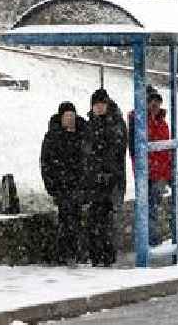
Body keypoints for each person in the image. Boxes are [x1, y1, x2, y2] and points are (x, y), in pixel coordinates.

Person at [40, 101, 90, 266]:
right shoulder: (53, 137)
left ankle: (75, 252)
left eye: (72, 116)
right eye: (67, 116)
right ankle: (66, 252)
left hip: (79, 185)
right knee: (67, 219)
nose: (70, 119)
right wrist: (52, 185)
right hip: (62, 187)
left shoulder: (83, 134)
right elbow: (46, 163)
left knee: (77, 220)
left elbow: (89, 159)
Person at [86, 88, 127, 266]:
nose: (99, 107)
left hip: (112, 180)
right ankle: (96, 254)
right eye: (96, 104)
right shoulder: (91, 124)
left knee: (108, 219)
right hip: (95, 181)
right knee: (95, 218)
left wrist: (106, 171)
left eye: (102, 104)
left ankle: (107, 255)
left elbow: (116, 151)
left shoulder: (115, 123)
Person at [127, 85, 172, 246]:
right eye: (151, 102)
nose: (154, 105)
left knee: (151, 208)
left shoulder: (161, 123)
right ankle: (148, 241)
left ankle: (150, 240)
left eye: (157, 102)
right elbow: (134, 150)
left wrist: (169, 172)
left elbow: (167, 149)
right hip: (146, 172)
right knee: (147, 208)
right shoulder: (138, 121)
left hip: (159, 173)